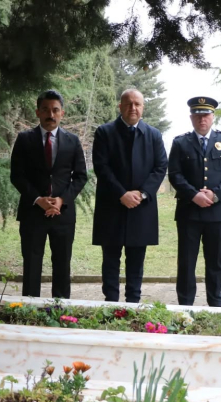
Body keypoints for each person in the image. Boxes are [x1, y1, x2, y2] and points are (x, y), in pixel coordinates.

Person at [92, 88, 168, 302]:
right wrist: (122, 194)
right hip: (111, 205)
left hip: (141, 207)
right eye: (128, 104)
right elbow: (101, 167)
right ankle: (110, 303)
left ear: (143, 107)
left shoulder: (154, 135)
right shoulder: (104, 132)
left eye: (137, 104)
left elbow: (160, 167)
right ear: (120, 106)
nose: (133, 108)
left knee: (136, 260)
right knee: (110, 259)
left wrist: (142, 194)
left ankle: (133, 303)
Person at [10, 89, 87, 298]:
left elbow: (81, 176)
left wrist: (62, 200)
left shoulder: (73, 141)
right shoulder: (24, 139)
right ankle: (29, 310)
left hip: (63, 215)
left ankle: (60, 310)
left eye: (55, 110)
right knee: (31, 265)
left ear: (62, 113)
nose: (50, 115)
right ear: (38, 112)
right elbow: (17, 176)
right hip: (32, 213)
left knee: (62, 265)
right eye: (45, 110)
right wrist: (38, 199)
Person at [168, 96, 221, 306]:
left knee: (215, 261)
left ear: (212, 116)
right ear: (191, 117)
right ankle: (185, 305)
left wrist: (215, 194)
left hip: (218, 212)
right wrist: (194, 195)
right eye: (197, 115)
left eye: (206, 115)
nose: (202, 119)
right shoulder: (180, 142)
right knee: (186, 261)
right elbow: (174, 174)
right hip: (189, 211)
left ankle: (216, 304)